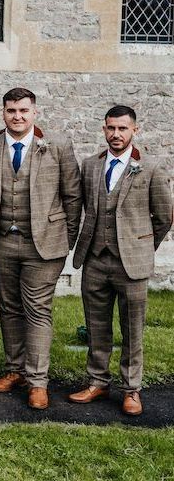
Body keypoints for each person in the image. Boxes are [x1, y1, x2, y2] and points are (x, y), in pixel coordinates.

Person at [0, 88, 82, 410]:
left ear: (34, 112)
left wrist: (64, 239)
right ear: (3, 112)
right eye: (11, 111)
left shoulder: (58, 146)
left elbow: (73, 197)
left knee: (37, 309)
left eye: (23, 110)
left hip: (44, 245)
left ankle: (37, 381)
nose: (17, 116)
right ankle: (15, 370)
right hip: (1, 242)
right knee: (9, 308)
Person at [68, 105, 172, 416]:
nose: (116, 134)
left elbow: (164, 217)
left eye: (122, 129)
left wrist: (140, 247)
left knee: (133, 329)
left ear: (134, 131)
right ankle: (97, 382)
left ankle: (131, 389)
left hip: (133, 264)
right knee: (97, 326)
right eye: (111, 128)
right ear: (104, 129)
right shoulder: (90, 166)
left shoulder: (150, 167)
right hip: (95, 260)